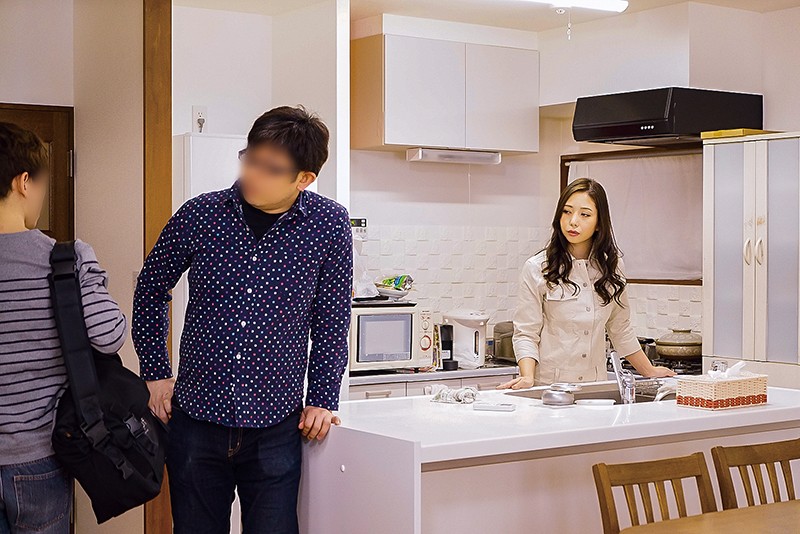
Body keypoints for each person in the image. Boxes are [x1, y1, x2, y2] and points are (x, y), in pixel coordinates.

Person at [132, 106, 353, 533]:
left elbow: (331, 318)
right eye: (250, 158)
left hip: (276, 424)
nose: (252, 173)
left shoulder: (328, 225)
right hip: (197, 420)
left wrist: (323, 397)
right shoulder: (202, 213)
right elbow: (151, 288)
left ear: (304, 178)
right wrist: (155, 372)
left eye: (270, 168)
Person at [0, 122, 127, 533]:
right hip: (36, 458)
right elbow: (109, 335)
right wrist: (90, 277)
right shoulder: (65, 259)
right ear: (23, 182)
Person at [499, 178, 674, 389]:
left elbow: (620, 328)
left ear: (599, 223)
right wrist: (527, 377)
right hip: (549, 387)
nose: (573, 221)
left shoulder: (612, 267)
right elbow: (526, 333)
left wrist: (649, 371)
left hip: (595, 387)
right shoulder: (538, 268)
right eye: (567, 212)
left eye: (585, 214)